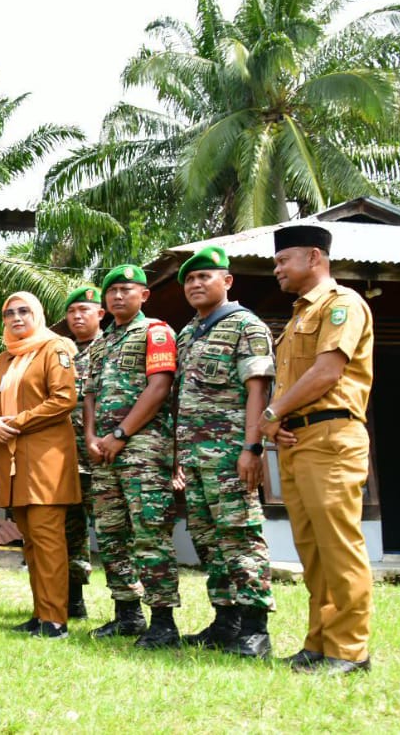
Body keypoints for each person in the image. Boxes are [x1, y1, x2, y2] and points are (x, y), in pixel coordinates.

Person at [263, 225, 374, 676]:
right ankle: (319, 641)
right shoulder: (296, 317)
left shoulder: (342, 304)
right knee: (311, 549)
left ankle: (350, 651)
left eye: (282, 261)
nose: (276, 270)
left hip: (332, 440)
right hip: (300, 440)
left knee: (338, 546)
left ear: (314, 257)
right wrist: (283, 422)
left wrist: (270, 414)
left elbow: (327, 373)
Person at [171, 245, 275, 658]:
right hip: (196, 459)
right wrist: (179, 456)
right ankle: (225, 620)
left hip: (232, 455)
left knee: (240, 537)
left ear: (227, 281)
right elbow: (183, 398)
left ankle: (255, 628)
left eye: (204, 277)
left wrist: (253, 446)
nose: (196, 284)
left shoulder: (245, 326)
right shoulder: (188, 333)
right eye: (190, 280)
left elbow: (258, 388)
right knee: (208, 538)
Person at [83, 264, 180, 648]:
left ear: (144, 294)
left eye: (126, 289)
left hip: (142, 448)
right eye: (112, 291)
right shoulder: (102, 343)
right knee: (110, 534)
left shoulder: (156, 332)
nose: (118, 296)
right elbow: (89, 394)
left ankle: (163, 621)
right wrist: (92, 437)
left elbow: (159, 387)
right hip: (103, 452)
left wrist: (121, 434)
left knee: (149, 533)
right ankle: (127, 613)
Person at [0, 294, 80, 638]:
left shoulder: (55, 349)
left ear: (39, 314)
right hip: (13, 460)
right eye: (8, 313)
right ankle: (41, 614)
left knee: (48, 537)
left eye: (24, 311)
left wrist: (17, 422)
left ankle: (56, 620)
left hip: (45, 459)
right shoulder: (4, 359)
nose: (16, 318)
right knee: (30, 540)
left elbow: (64, 399)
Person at [62, 286, 103, 619]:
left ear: (99, 314)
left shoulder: (112, 349)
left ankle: (129, 606)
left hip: (106, 457)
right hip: (67, 460)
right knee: (69, 532)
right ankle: (74, 599)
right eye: (72, 311)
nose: (77, 316)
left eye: (84, 310)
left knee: (115, 531)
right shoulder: (63, 354)